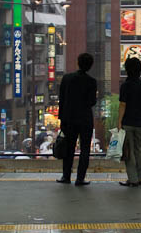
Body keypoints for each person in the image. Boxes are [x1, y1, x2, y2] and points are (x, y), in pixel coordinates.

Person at [57, 52, 98, 186]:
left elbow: (61, 100)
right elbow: (92, 102)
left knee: (69, 148)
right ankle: (80, 178)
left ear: (78, 63)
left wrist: (61, 119)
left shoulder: (67, 78)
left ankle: (66, 176)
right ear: (90, 66)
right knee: (85, 149)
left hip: (68, 118)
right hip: (85, 119)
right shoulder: (92, 82)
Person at [117, 56, 141, 187]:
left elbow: (122, 105)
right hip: (140, 123)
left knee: (129, 152)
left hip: (127, 123)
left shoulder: (125, 86)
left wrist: (119, 122)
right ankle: (139, 178)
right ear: (139, 70)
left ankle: (132, 179)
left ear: (127, 70)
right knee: (139, 150)